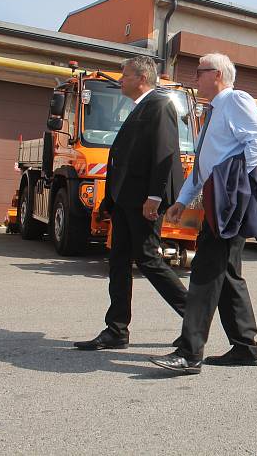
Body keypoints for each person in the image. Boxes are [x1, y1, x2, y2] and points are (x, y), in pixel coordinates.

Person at [149, 52, 257, 375]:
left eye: (199, 72)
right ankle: (246, 347)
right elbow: (204, 164)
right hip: (219, 200)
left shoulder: (235, 100)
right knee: (228, 274)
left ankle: (189, 353)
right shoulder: (214, 112)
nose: (195, 78)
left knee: (205, 271)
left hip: (229, 200)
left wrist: (230, 179)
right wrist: (184, 199)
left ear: (216, 74)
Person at [74, 56, 188, 351]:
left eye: (124, 76)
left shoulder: (160, 105)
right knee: (119, 261)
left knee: (148, 259)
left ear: (141, 78)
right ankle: (116, 330)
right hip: (126, 201)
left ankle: (194, 315)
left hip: (143, 202)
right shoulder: (140, 107)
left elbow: (165, 154)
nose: (121, 80)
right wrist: (111, 199)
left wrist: (155, 196)